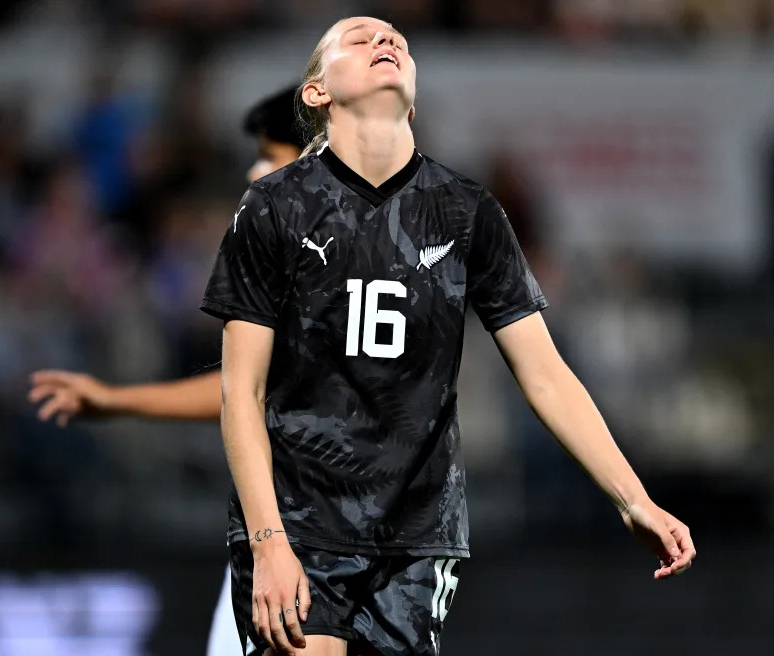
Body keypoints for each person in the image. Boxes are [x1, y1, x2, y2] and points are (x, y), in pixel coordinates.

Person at [201, 17, 696, 656]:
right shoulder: (272, 207)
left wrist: (635, 500)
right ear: (317, 92)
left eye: (397, 43)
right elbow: (241, 391)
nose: (386, 43)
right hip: (300, 516)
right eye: (360, 39)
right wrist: (268, 543)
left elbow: (545, 373)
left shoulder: (469, 211)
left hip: (416, 530)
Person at [27, 84, 307, 656]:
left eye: (273, 156)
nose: (256, 170)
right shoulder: (290, 261)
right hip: (281, 549)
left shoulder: (350, 272)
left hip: (321, 552)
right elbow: (246, 390)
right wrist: (119, 401)